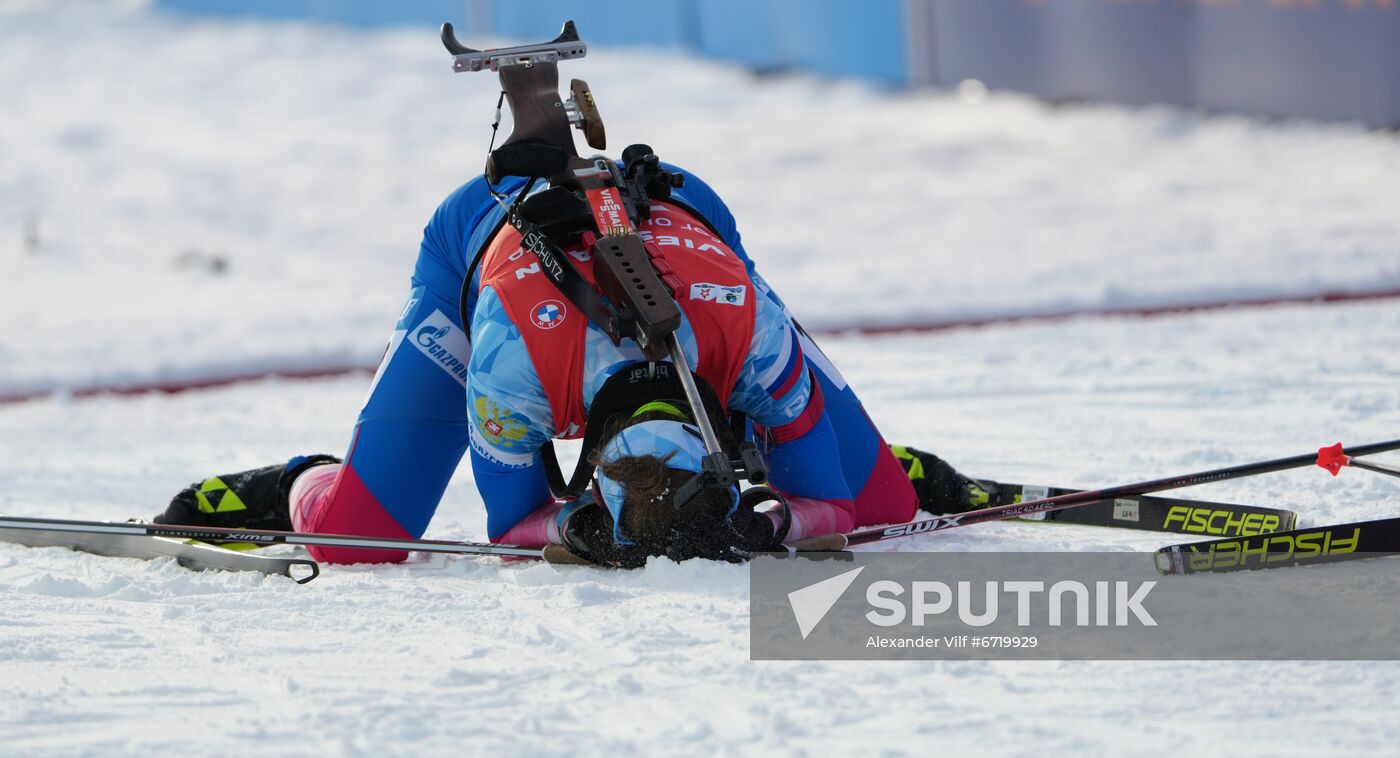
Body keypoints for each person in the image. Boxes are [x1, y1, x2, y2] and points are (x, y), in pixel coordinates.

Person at [156, 164, 990, 566]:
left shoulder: (753, 341)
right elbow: (509, 520)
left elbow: (839, 510)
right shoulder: (512, 371)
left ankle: (874, 457)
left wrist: (773, 519)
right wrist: (578, 525)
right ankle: (301, 480)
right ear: (585, 463)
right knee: (358, 541)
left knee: (885, 508)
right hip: (481, 242)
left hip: (691, 223)